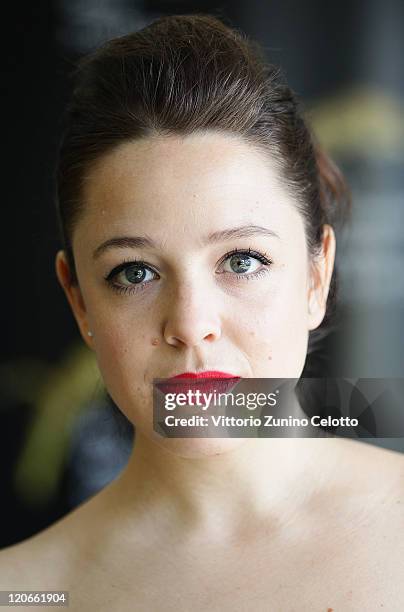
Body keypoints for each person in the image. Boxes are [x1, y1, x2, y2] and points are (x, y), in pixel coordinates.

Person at [1, 13, 403, 611]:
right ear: (78, 298)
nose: (190, 323)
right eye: (134, 272)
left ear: (316, 276)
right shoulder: (25, 592)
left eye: (241, 261)